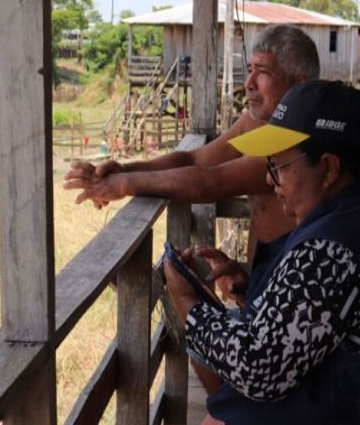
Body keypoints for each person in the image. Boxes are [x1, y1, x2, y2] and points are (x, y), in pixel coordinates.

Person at [163, 80, 360, 424]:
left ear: (328, 168)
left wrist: (189, 305)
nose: (270, 181)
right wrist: (249, 289)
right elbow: (322, 312)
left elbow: (257, 370)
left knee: (222, 413)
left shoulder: (335, 247)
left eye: (278, 166)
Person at [64, 24, 320, 273]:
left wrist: (123, 185)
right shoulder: (253, 122)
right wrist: (123, 169)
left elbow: (208, 182)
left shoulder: (297, 143)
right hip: (260, 284)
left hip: (289, 291)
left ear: (299, 84)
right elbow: (195, 159)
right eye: (250, 69)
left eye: (263, 72)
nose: (250, 82)